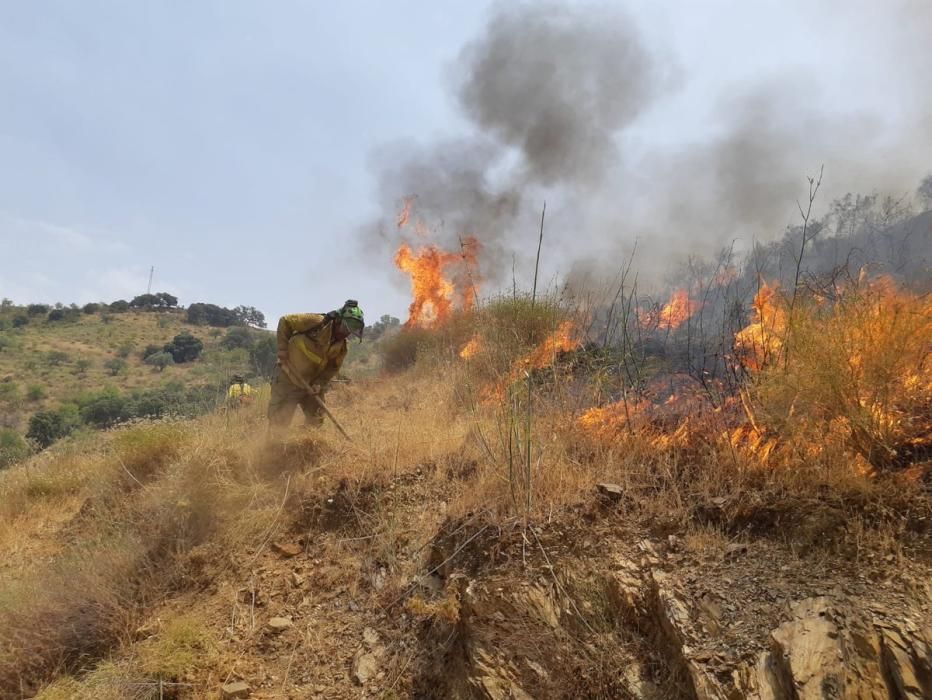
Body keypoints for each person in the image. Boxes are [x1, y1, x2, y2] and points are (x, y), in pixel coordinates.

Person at [267, 300, 364, 431]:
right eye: (345, 328)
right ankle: (272, 449)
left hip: (311, 385)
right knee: (279, 422)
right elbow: (285, 321)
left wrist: (319, 384)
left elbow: (332, 369)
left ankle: (302, 445)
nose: (346, 333)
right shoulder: (316, 322)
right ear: (338, 320)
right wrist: (283, 348)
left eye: (350, 331)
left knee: (316, 419)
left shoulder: (341, 347)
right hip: (288, 376)